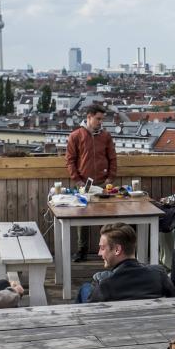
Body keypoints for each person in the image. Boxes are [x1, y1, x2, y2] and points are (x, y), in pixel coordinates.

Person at [66, 103, 117, 262]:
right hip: (84, 185)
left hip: (103, 183)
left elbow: (112, 158)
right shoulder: (76, 136)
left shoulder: (106, 136)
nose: (101, 122)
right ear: (89, 117)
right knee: (83, 219)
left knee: (107, 218)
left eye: (102, 119)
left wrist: (110, 177)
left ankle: (108, 251)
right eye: (98, 119)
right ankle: (82, 251)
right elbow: (70, 161)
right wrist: (78, 181)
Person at [76, 223, 175, 303]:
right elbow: (174, 301)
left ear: (117, 250)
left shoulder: (105, 285)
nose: (99, 253)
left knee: (85, 288)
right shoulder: (159, 274)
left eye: (102, 248)